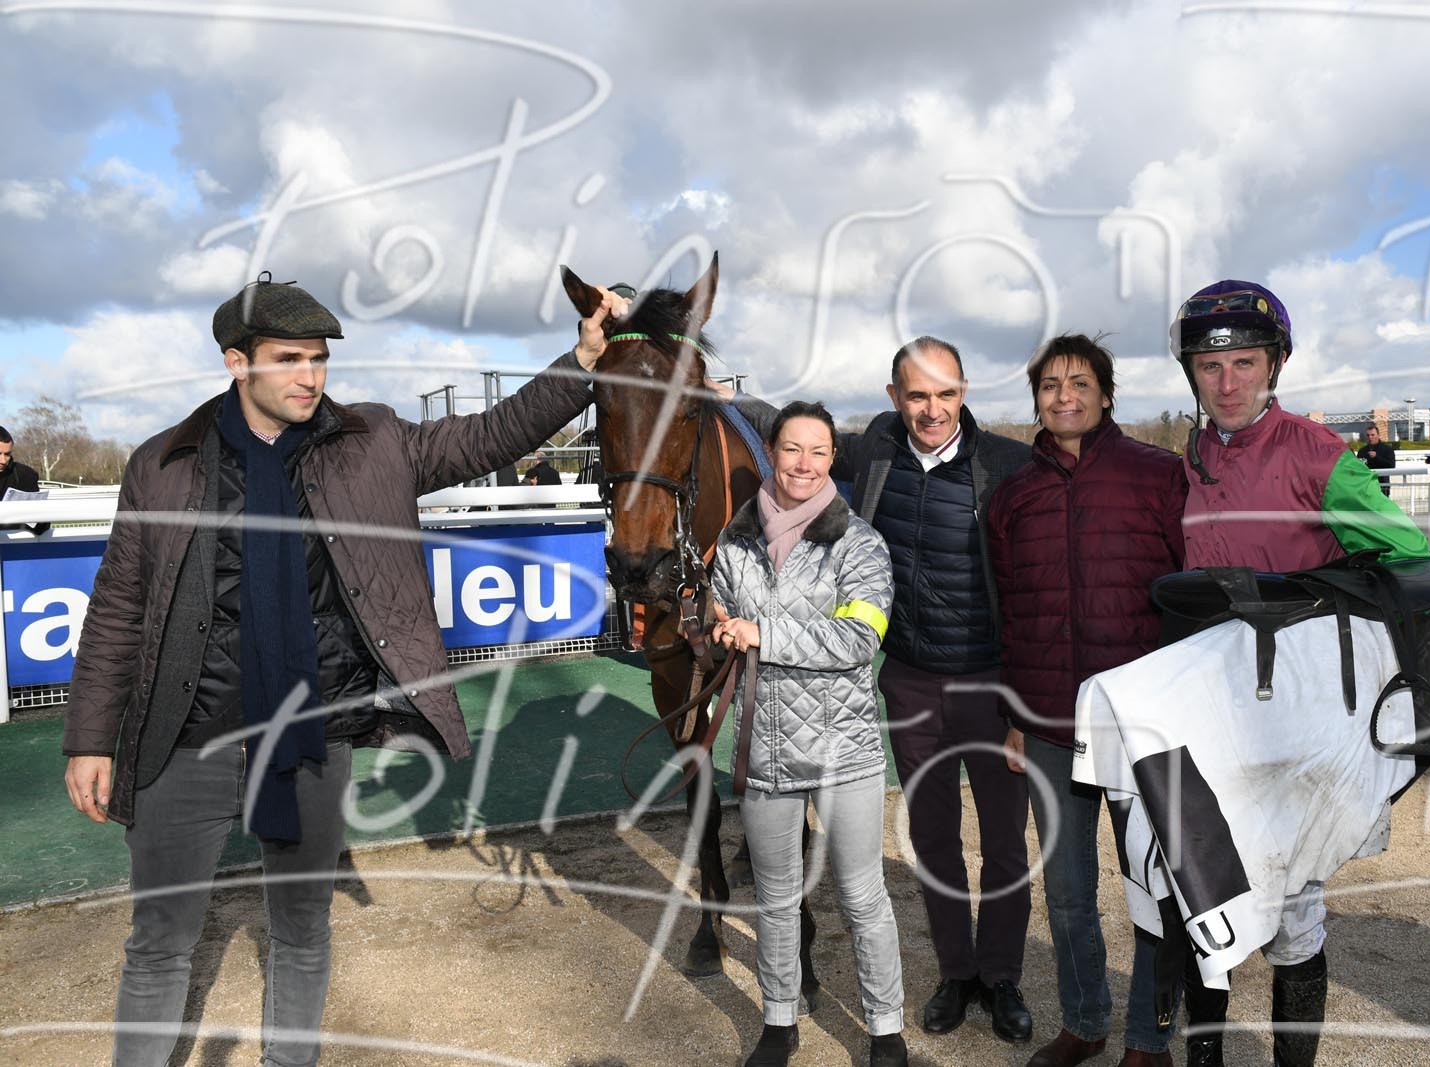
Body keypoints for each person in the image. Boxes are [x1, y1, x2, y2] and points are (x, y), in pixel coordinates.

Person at [60, 271, 623, 1067]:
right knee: (159, 939)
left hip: (312, 737)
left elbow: (490, 435)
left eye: (319, 358)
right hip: (185, 738)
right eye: (289, 358)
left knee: (302, 930)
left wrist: (584, 358)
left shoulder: (372, 441)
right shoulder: (163, 463)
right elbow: (118, 606)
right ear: (236, 362)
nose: (310, 376)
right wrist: (90, 738)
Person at [719, 337, 1034, 1044]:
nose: (932, 409)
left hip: (991, 681)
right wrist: (721, 392)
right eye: (917, 395)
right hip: (913, 682)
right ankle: (956, 974)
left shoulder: (1007, 464)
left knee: (1005, 842)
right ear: (895, 398)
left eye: (946, 394)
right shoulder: (875, 452)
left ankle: (1002, 977)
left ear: (964, 393)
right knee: (933, 837)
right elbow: (796, 437)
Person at [1169, 280, 1430, 1067]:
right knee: (1202, 890)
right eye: (1210, 366)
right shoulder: (1184, 464)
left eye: (1244, 363)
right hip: (1209, 709)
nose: (1228, 382)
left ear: (1274, 364)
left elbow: (1406, 553)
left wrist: (1317, 593)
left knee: (1294, 901)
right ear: (1192, 374)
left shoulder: (1319, 454)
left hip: (1298, 712)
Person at [987, 335, 1187, 1067]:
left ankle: (1148, 1037)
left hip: (1141, 724)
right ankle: (1085, 1020)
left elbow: (1190, 598)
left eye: (1078, 382)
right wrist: (1014, 717)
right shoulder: (1012, 496)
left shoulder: (1159, 475)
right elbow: (1008, 614)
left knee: (1153, 888)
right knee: (1068, 892)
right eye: (1049, 385)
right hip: (1048, 725)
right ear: (1036, 398)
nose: (1063, 396)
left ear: (1106, 393)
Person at [709, 401, 907, 1067]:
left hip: (843, 751)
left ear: (831, 459)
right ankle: (779, 1020)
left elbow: (857, 639)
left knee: (862, 897)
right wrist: (711, 627)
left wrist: (762, 633)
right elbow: (723, 629)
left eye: (817, 451)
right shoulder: (734, 543)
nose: (803, 463)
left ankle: (886, 1029)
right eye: (791, 449)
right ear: (771, 451)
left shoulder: (861, 543)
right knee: (775, 900)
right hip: (764, 751)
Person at [0, 424, 50, 535]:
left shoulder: (26, 475)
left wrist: (40, 518)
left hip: (16, 543)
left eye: (7, 454)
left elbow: (39, 527)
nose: (3, 460)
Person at [1356, 424, 1396, 496]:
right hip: (1366, 486)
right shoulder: (1362, 451)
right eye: (1368, 435)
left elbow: (1391, 465)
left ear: (1378, 435)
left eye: (1372, 435)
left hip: (1382, 486)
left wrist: (1376, 457)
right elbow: (1358, 467)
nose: (1370, 437)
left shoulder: (1387, 449)